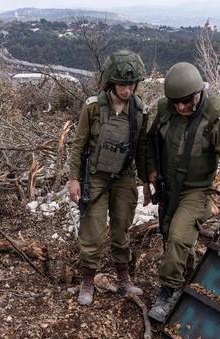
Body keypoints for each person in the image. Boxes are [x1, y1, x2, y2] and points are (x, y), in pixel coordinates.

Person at [143, 62, 220, 322]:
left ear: (199, 93)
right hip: (168, 186)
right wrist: (150, 173)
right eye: (176, 102)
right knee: (171, 234)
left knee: (179, 237)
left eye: (187, 101)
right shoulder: (164, 109)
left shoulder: (217, 117)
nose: (182, 108)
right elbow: (149, 142)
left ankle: (167, 292)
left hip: (198, 190)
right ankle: (192, 277)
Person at [68, 50, 150, 306]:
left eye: (131, 84)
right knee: (92, 232)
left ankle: (124, 278)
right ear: (111, 82)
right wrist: (74, 179)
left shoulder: (139, 110)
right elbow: (79, 144)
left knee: (121, 228)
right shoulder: (93, 107)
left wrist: (147, 181)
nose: (127, 90)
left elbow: (143, 150)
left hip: (125, 177)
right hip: (96, 177)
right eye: (122, 84)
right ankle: (88, 280)